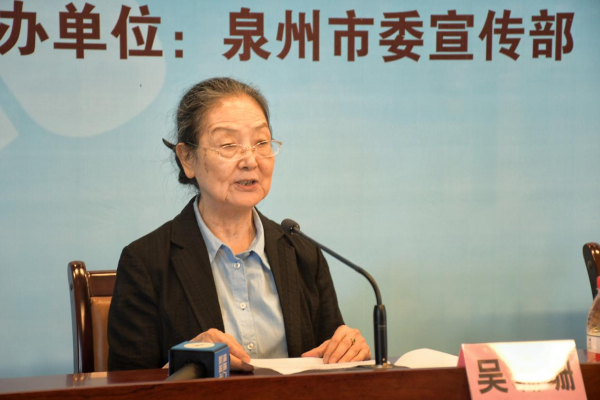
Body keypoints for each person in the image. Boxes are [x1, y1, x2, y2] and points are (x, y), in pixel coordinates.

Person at [107, 77, 371, 371]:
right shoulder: (146, 263)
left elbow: (332, 365)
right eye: (229, 145)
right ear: (187, 158)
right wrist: (188, 360)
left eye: (261, 142)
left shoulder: (304, 255)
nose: (250, 160)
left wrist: (347, 349)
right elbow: (125, 385)